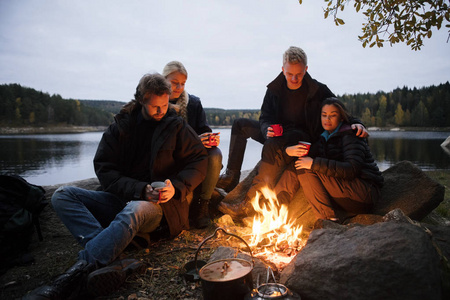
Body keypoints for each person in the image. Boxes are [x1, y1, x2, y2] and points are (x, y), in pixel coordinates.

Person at [23, 73, 208, 300]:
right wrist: (139, 189)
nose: (161, 111)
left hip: (159, 208)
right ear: (141, 100)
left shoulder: (176, 125)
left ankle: (71, 277)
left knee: (135, 209)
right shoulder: (121, 126)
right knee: (62, 195)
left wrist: (176, 188)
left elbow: (199, 160)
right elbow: (104, 168)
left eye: (164, 105)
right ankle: (114, 256)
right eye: (154, 107)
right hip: (120, 199)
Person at [218, 46, 368, 219]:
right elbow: (265, 116)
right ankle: (231, 177)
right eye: (290, 74)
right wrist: (267, 130)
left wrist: (357, 123)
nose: (294, 78)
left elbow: (338, 109)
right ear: (283, 70)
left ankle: (249, 203)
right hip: (276, 134)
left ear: (306, 69)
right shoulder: (274, 89)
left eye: (299, 74)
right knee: (239, 124)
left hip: (301, 137)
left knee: (274, 146)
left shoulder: (317, 89)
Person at [294, 97, 383, 222]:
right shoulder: (324, 137)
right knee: (302, 165)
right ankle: (328, 217)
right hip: (348, 192)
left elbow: (352, 169)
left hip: (364, 193)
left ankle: (327, 220)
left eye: (333, 115)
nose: (327, 119)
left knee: (308, 167)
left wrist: (314, 164)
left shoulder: (352, 135)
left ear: (341, 117)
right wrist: (289, 150)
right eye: (324, 115)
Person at [162, 61, 222, 229]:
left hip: (194, 157)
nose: (179, 87)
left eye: (183, 83)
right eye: (175, 83)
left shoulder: (193, 103)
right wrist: (196, 141)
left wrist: (209, 139)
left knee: (215, 154)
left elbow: (204, 129)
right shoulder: (158, 105)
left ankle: (203, 205)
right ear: (164, 79)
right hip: (171, 158)